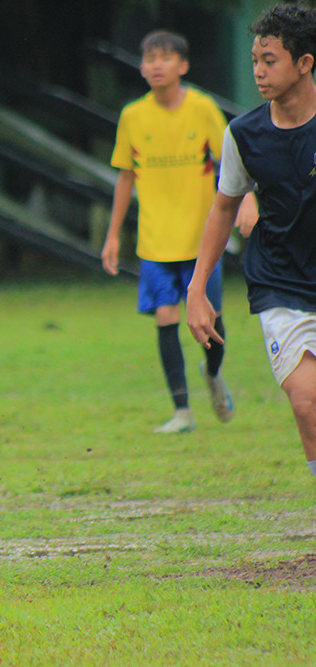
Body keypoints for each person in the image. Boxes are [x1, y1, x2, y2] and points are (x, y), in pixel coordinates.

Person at [187, 3, 316, 483]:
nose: (258, 72)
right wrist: (198, 288)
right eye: (255, 61)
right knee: (306, 402)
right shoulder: (243, 134)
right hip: (280, 283)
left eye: (270, 61)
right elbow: (223, 207)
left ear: (304, 63)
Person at [101, 29, 235, 434]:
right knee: (165, 316)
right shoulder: (133, 116)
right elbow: (126, 177)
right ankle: (182, 412)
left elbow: (231, 165)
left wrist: (248, 204)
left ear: (183, 66)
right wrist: (112, 236)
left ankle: (212, 374)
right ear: (142, 68)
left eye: (165, 57)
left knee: (210, 323)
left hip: (201, 241)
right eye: (150, 58)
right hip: (155, 242)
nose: (156, 64)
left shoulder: (202, 109)